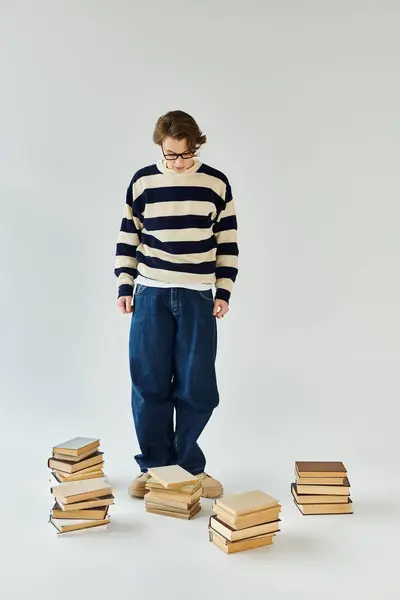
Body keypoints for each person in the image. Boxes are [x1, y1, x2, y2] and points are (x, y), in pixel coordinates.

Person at [114, 110, 239, 499]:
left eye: (185, 155)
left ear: (195, 146)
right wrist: (124, 284)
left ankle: (187, 467)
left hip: (198, 295)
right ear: (160, 148)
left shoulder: (216, 183)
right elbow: (127, 237)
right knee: (148, 383)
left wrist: (223, 291)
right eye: (171, 156)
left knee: (196, 386)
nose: (178, 163)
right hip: (150, 293)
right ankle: (155, 466)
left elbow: (228, 242)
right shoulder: (143, 181)